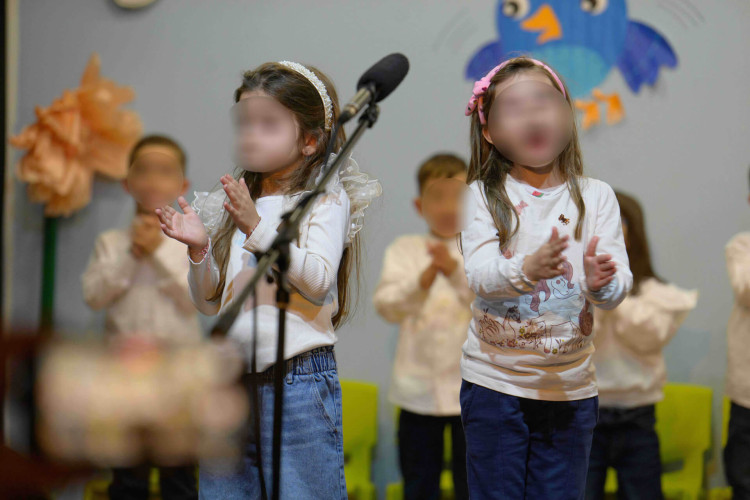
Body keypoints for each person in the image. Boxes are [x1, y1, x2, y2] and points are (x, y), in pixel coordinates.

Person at [156, 61, 380, 499]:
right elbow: (210, 302)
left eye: (268, 124)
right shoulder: (239, 202)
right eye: (244, 123)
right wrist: (200, 251)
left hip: (296, 380)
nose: (250, 135)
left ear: (311, 141)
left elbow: (317, 280)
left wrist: (257, 227)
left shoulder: (323, 199)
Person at [459, 56, 632, 499]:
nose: (533, 116)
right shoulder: (481, 195)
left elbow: (616, 288)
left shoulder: (596, 196)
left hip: (571, 389)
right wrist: (527, 270)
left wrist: (601, 284)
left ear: (567, 114)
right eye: (514, 108)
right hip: (495, 384)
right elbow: (480, 275)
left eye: (543, 102)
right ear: (489, 132)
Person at [82, 134, 200, 500]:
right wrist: (133, 253)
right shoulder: (110, 242)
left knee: (178, 480)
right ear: (126, 183)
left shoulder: (192, 241)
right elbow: (94, 297)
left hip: (178, 376)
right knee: (127, 480)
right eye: (143, 170)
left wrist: (158, 253)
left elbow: (196, 301)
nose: (152, 180)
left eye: (165, 171)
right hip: (123, 376)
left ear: (182, 185)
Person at [586, 191, 697, 500]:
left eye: (617, 221)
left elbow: (648, 338)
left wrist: (613, 293)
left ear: (632, 229)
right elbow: (578, 340)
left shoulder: (654, 292)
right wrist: (592, 290)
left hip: (637, 417)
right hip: (585, 413)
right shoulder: (574, 290)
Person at [373, 153, 472, 500]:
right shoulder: (405, 250)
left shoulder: (483, 251)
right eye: (437, 196)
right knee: (418, 484)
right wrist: (423, 280)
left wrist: (455, 272)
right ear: (419, 205)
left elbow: (495, 308)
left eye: (458, 196)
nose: (448, 206)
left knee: (473, 484)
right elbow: (386, 307)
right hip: (416, 391)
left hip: (472, 391)